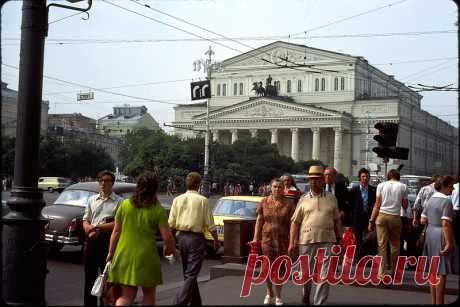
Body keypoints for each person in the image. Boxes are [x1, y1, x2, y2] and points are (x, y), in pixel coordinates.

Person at [106, 171, 177, 306]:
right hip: (146, 257)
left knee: (126, 296)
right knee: (148, 294)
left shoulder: (125, 205)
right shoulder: (158, 209)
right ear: (155, 188)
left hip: (124, 254)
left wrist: (110, 253)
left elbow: (115, 231)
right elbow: (167, 237)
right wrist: (172, 250)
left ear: (138, 186)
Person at [288, 165, 341, 305]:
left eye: (316, 179)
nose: (313, 182)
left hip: (328, 240)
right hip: (306, 240)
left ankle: (319, 303)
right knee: (305, 273)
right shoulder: (303, 199)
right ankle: (306, 293)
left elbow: (337, 220)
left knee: (324, 274)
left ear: (323, 181)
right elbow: (295, 222)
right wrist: (292, 242)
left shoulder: (332, 198)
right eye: (311, 180)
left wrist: (339, 239)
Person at [168, 172, 220, 306]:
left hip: (181, 238)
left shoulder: (177, 199)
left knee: (188, 272)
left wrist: (170, 242)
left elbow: (171, 224)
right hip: (196, 238)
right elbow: (210, 224)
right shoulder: (203, 200)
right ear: (199, 184)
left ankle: (196, 302)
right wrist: (215, 240)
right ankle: (179, 301)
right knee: (192, 274)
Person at [249, 178, 296, 306]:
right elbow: (259, 220)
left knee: (280, 268)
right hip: (267, 239)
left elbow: (293, 223)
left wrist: (293, 241)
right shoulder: (264, 201)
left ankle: (279, 296)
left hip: (283, 239)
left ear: (284, 188)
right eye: (275, 187)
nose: (277, 189)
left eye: (280, 187)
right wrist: (255, 237)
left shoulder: (289, 203)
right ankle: (269, 293)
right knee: (267, 267)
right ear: (271, 187)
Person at [82, 170, 123, 306]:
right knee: (90, 278)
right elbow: (85, 219)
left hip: (108, 242)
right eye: (101, 180)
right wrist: (88, 228)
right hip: (91, 241)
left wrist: (98, 227)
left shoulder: (119, 202)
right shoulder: (91, 200)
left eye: (106, 181)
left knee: (107, 279)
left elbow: (118, 225)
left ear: (112, 183)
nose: (103, 183)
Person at [421, 175, 459, 305]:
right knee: (441, 272)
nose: (453, 189)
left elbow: (423, 219)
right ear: (444, 186)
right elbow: (446, 224)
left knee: (433, 270)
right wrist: (449, 243)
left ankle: (434, 302)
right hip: (440, 235)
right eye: (451, 186)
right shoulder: (447, 201)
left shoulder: (430, 199)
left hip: (430, 233)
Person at [368, 169, 408, 279]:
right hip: (395, 217)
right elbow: (405, 206)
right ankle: (394, 271)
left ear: (388, 176)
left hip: (382, 217)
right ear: (398, 177)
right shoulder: (403, 186)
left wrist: (371, 220)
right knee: (395, 245)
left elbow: (377, 204)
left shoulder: (381, 185)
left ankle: (381, 273)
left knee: (382, 246)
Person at [349, 168, 377, 260]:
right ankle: (358, 258)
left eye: (367, 177)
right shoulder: (354, 190)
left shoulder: (374, 190)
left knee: (369, 239)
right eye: (363, 176)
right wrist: (350, 222)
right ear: (359, 178)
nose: (365, 178)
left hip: (369, 219)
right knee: (358, 240)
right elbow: (350, 207)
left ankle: (368, 259)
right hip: (357, 220)